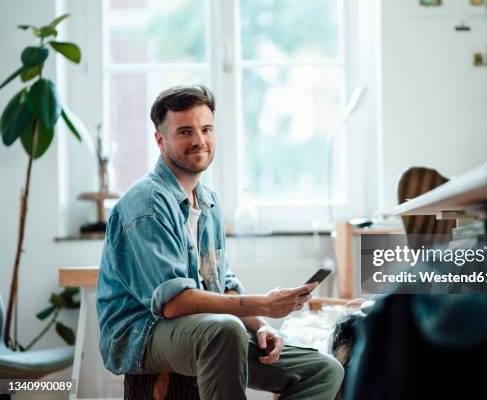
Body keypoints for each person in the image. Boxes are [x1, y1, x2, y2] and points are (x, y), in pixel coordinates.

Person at [96, 84, 344, 400]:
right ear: (161, 140)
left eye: (206, 129)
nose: (199, 140)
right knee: (225, 330)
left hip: (206, 330)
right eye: (185, 131)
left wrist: (262, 325)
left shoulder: (208, 200)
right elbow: (173, 304)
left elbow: (220, 283)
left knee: (324, 370)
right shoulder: (146, 203)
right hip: (142, 333)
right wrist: (264, 302)